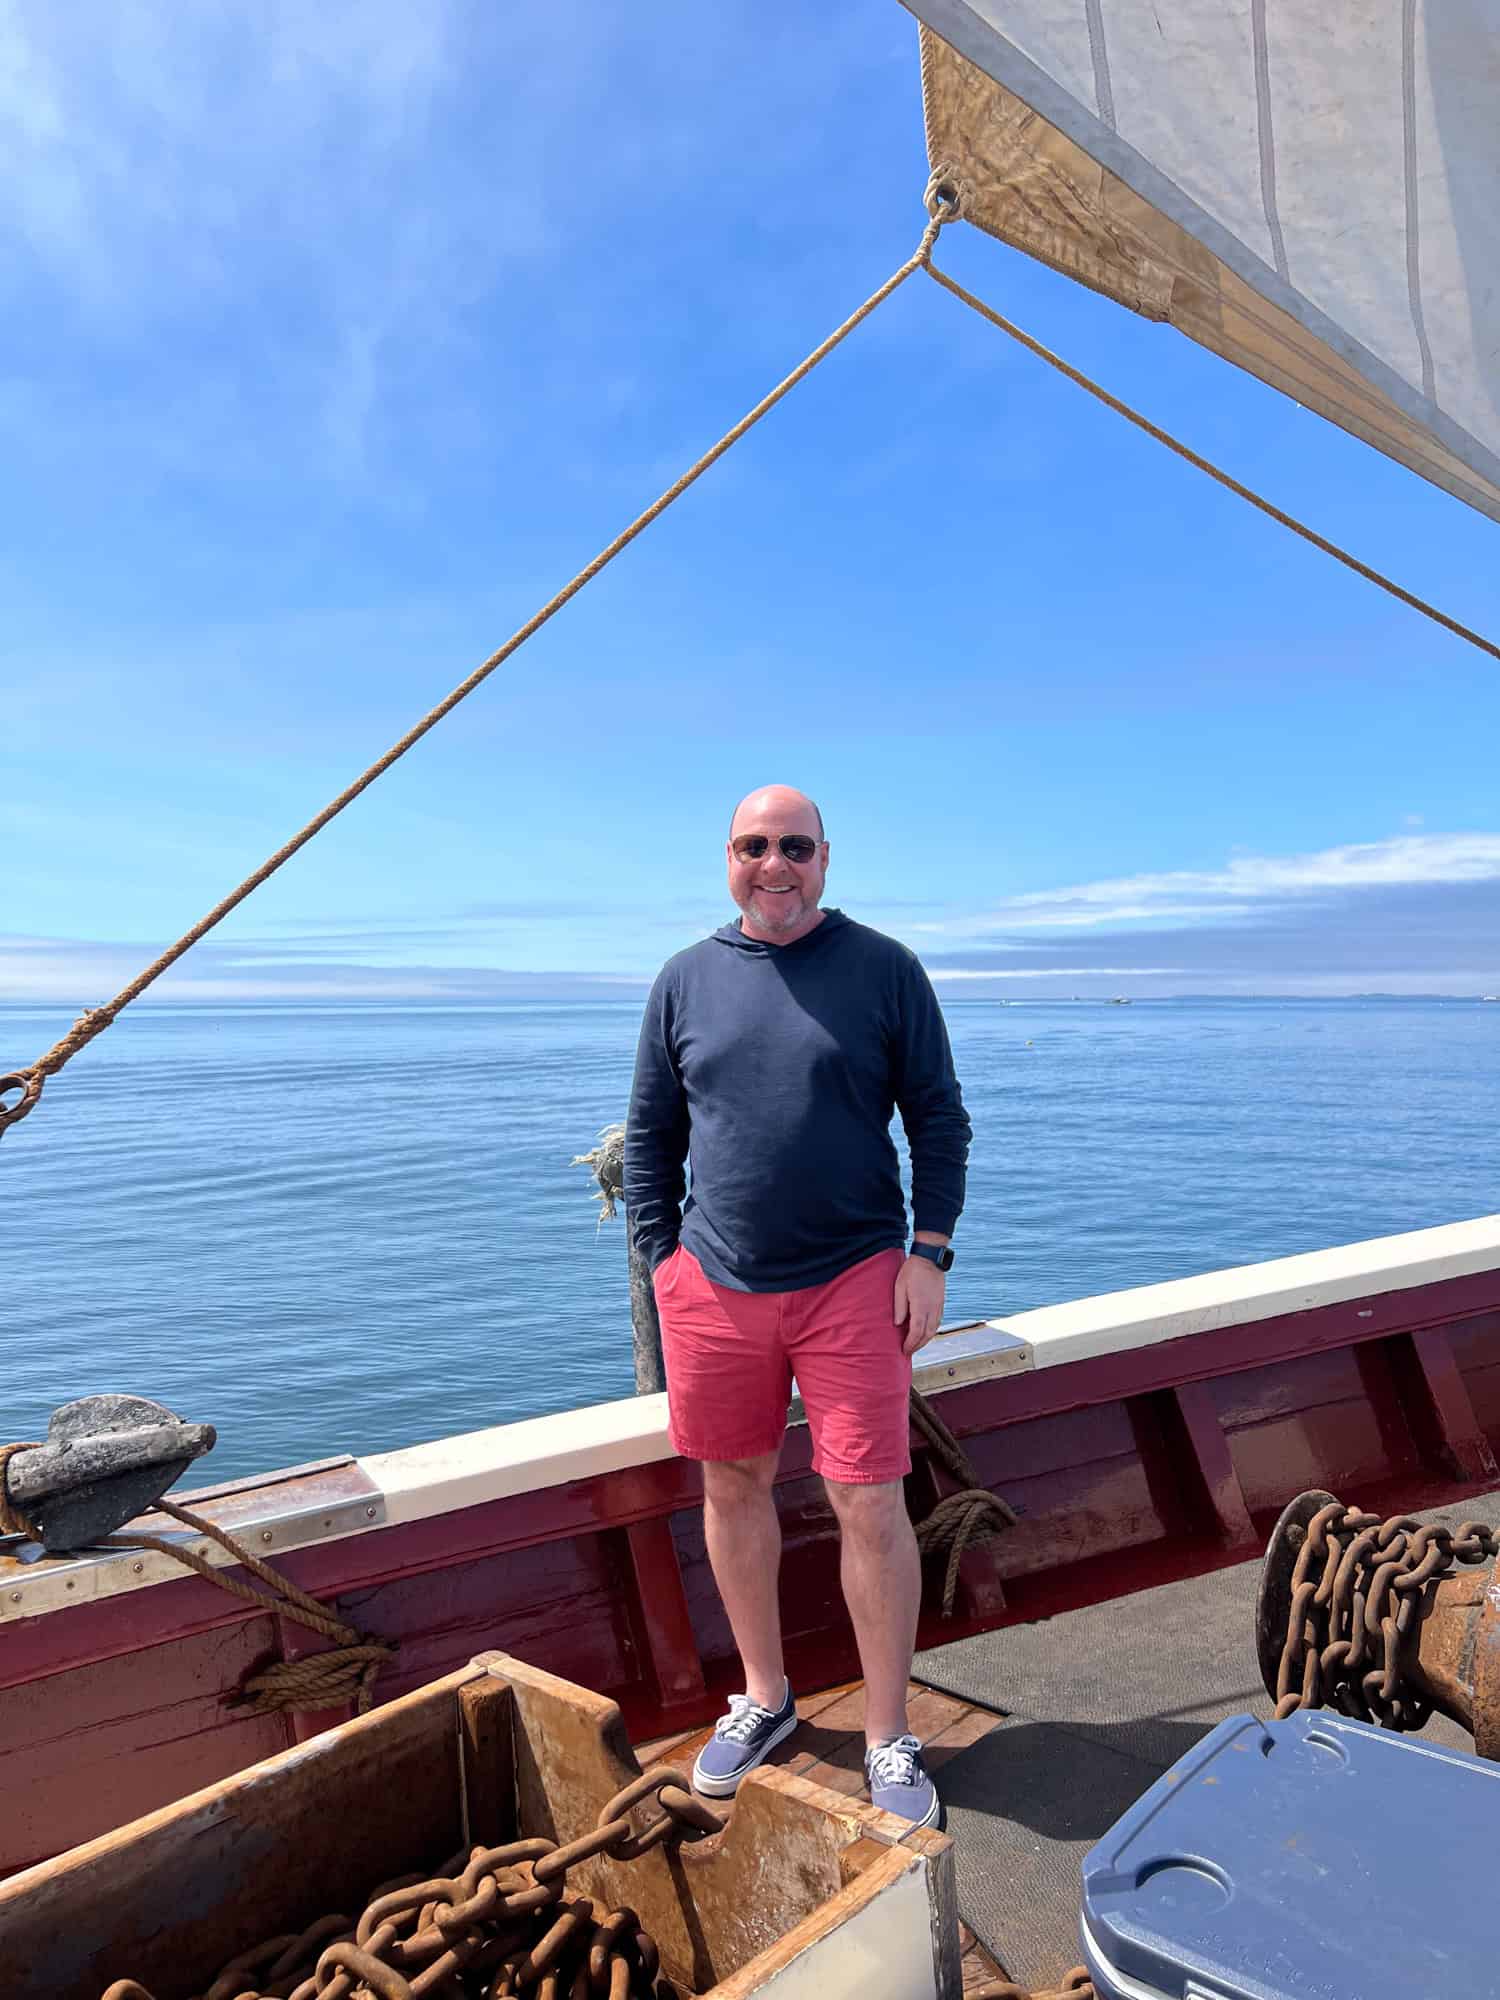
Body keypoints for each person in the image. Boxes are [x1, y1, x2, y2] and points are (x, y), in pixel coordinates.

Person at [623, 784, 971, 1829]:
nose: (775, 864)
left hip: (856, 1278)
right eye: (754, 846)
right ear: (726, 856)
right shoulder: (683, 979)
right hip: (714, 1286)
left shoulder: (885, 970)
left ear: (827, 858)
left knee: (869, 1499)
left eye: (795, 847)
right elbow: (650, 1136)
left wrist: (931, 1253)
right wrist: (661, 1263)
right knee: (732, 1487)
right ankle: (766, 1696)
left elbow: (940, 1117)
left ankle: (887, 1732)